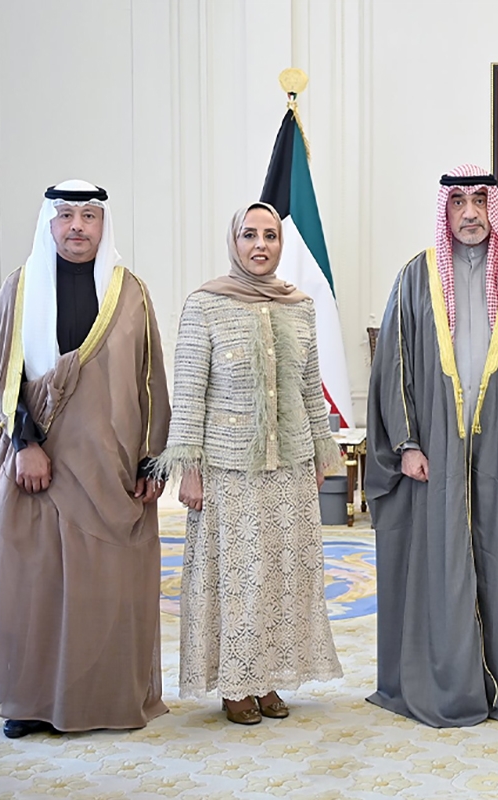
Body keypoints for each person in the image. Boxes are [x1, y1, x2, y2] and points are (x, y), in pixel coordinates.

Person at [0, 180, 171, 738]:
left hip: (111, 469)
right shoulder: (21, 287)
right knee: (33, 585)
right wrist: (25, 445)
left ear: (104, 224)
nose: (77, 225)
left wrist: (151, 459)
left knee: (107, 585)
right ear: (48, 223)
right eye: (65, 215)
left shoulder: (131, 293)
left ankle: (104, 697)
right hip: (37, 467)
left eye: (89, 215)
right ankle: (29, 702)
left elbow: (150, 380)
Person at [366, 164, 498, 727]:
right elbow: (394, 367)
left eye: (480, 200)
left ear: (494, 207)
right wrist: (407, 442)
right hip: (439, 445)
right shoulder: (417, 275)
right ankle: (451, 683)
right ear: (445, 210)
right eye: (457, 202)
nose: (470, 213)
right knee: (446, 564)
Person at [158, 202, 343, 725]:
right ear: (234, 241)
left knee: (282, 576)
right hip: (227, 468)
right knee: (239, 579)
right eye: (249, 235)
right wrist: (189, 470)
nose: (260, 245)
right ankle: (235, 684)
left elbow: (309, 389)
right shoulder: (205, 304)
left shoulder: (300, 306)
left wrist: (321, 452)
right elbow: (188, 392)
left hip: (290, 466)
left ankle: (269, 678)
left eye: (270, 235)